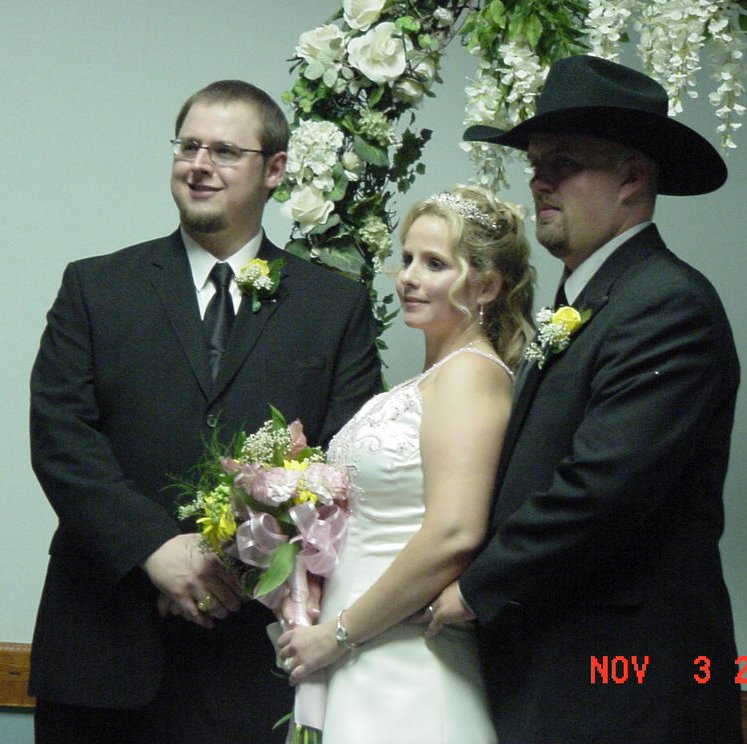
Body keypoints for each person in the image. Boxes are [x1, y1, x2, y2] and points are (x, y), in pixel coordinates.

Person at [28, 79, 382, 744]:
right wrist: (155, 549)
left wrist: (233, 563)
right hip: (103, 642)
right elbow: (61, 438)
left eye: (224, 151)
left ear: (274, 169)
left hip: (250, 654)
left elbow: (346, 463)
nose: (198, 165)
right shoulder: (96, 287)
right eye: (187, 146)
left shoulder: (332, 307)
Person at [427, 55, 742, 743]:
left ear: (631, 177)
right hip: (555, 664)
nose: (538, 181)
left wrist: (475, 589)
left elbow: (599, 487)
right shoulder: (592, 300)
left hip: (625, 680)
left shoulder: (667, 304)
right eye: (535, 164)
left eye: (562, 163)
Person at [277, 184, 535, 743]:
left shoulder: (470, 375)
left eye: (435, 264)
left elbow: (454, 532)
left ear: (487, 285)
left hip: (406, 661)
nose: (409, 277)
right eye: (408, 258)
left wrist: (337, 635)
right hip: (366, 650)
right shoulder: (431, 379)